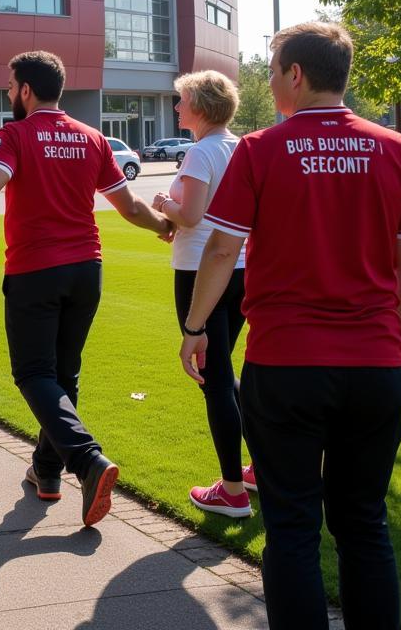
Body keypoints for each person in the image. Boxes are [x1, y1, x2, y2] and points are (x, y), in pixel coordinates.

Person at [180, 22, 401, 630]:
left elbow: (222, 251)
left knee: (292, 526)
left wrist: (196, 325)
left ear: (297, 75)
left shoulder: (260, 148)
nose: (273, 80)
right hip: (376, 365)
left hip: (286, 364)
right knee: (364, 523)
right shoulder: (395, 148)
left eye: (275, 69)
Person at [0, 50, 171, 527]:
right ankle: (46, 473)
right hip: (87, 268)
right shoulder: (91, 137)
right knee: (63, 376)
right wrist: (164, 226)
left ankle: (87, 461)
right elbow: (129, 207)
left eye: (10, 87)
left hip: (35, 269)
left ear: (26, 90)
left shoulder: (16, 134)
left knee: (32, 374)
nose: (9, 95)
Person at [151, 70, 251, 518]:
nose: (176, 107)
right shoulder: (242, 146)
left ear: (201, 106)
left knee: (213, 380)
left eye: (182, 100)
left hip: (201, 273)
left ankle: (232, 490)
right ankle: (258, 468)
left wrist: (163, 206)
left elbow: (192, 215)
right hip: (243, 269)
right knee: (224, 375)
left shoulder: (200, 152)